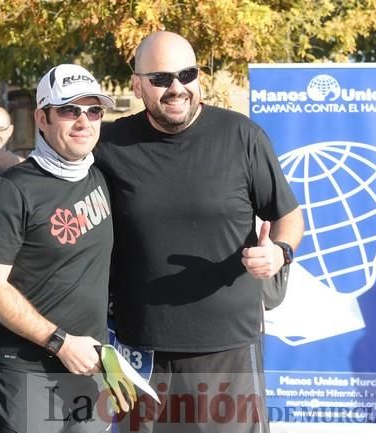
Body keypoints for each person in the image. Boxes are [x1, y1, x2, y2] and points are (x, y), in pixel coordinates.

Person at [94, 32, 305, 433]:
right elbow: (48, 173)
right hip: (142, 352)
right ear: (136, 84)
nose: (176, 88)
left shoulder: (241, 136)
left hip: (228, 348)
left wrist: (279, 252)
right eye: (160, 79)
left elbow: (289, 216)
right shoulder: (110, 145)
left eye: (187, 74)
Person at [0, 64, 115, 433]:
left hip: (90, 368)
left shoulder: (99, 176)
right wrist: (60, 342)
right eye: (70, 110)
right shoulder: (13, 189)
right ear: (42, 117)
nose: (84, 121)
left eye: (93, 111)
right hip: (26, 370)